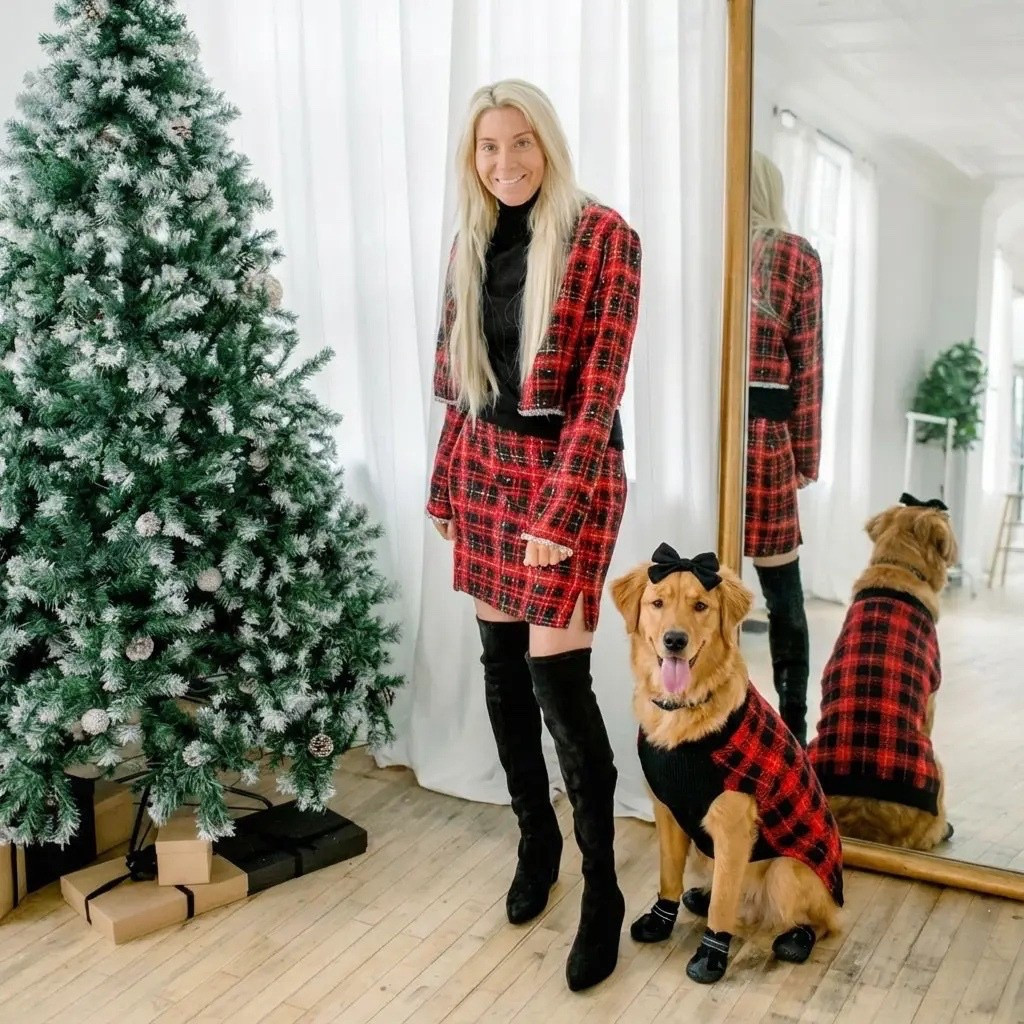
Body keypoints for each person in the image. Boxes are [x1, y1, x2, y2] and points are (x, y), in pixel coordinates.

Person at [425, 79, 641, 993]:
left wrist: (557, 513)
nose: (505, 161)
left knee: (560, 683)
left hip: (567, 476)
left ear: (546, 143)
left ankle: (603, 893)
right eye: (488, 146)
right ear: (472, 156)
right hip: (485, 468)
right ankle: (535, 843)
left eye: (520, 143)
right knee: (502, 670)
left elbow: (599, 391)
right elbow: (463, 383)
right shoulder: (470, 241)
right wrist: (444, 482)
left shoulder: (604, 236)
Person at [745, 151, 824, 746]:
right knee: (783, 595)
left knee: (700, 590)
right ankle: (793, 730)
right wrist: (806, 456)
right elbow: (808, 368)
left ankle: (713, 725)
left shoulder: (704, 246)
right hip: (766, 442)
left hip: (707, 438)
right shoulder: (796, 255)